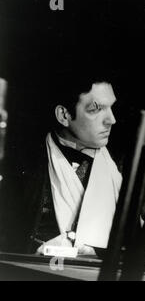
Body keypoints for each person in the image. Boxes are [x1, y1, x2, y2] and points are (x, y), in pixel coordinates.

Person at [0, 77, 121, 256]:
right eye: (96, 109)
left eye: (111, 107)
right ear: (64, 115)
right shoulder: (24, 165)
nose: (112, 120)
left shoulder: (121, 166)